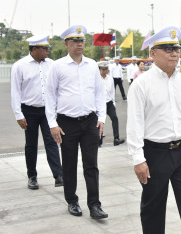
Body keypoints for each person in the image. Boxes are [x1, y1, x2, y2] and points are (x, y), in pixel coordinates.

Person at [127, 26, 181, 234]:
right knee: (153, 209)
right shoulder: (141, 84)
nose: (174, 53)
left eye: (176, 48)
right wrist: (138, 159)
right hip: (155, 154)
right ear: (153, 53)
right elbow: (135, 124)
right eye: (167, 48)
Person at [45, 25, 108, 220]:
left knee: (91, 165)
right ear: (66, 44)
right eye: (75, 41)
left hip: (89, 122)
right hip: (66, 123)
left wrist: (101, 118)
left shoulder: (91, 65)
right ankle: (72, 200)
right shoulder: (57, 66)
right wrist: (52, 124)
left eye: (82, 40)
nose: (79, 44)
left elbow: (99, 93)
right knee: (69, 164)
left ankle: (95, 205)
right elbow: (49, 96)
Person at [11, 35, 63, 190]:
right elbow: (15, 91)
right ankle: (32, 176)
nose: (48, 51)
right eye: (45, 48)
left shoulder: (52, 65)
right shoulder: (20, 66)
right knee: (31, 144)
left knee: (52, 141)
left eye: (48, 48)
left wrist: (57, 109)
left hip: (48, 110)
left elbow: (57, 89)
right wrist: (18, 115)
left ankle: (58, 175)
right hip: (29, 110)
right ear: (34, 49)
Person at [98, 62, 126, 146]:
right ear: (99, 70)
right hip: (99, 103)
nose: (104, 71)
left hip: (109, 102)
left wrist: (114, 103)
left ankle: (116, 139)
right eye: (102, 69)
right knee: (100, 122)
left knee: (115, 118)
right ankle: (98, 141)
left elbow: (112, 92)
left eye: (106, 69)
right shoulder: (96, 79)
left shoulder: (110, 79)